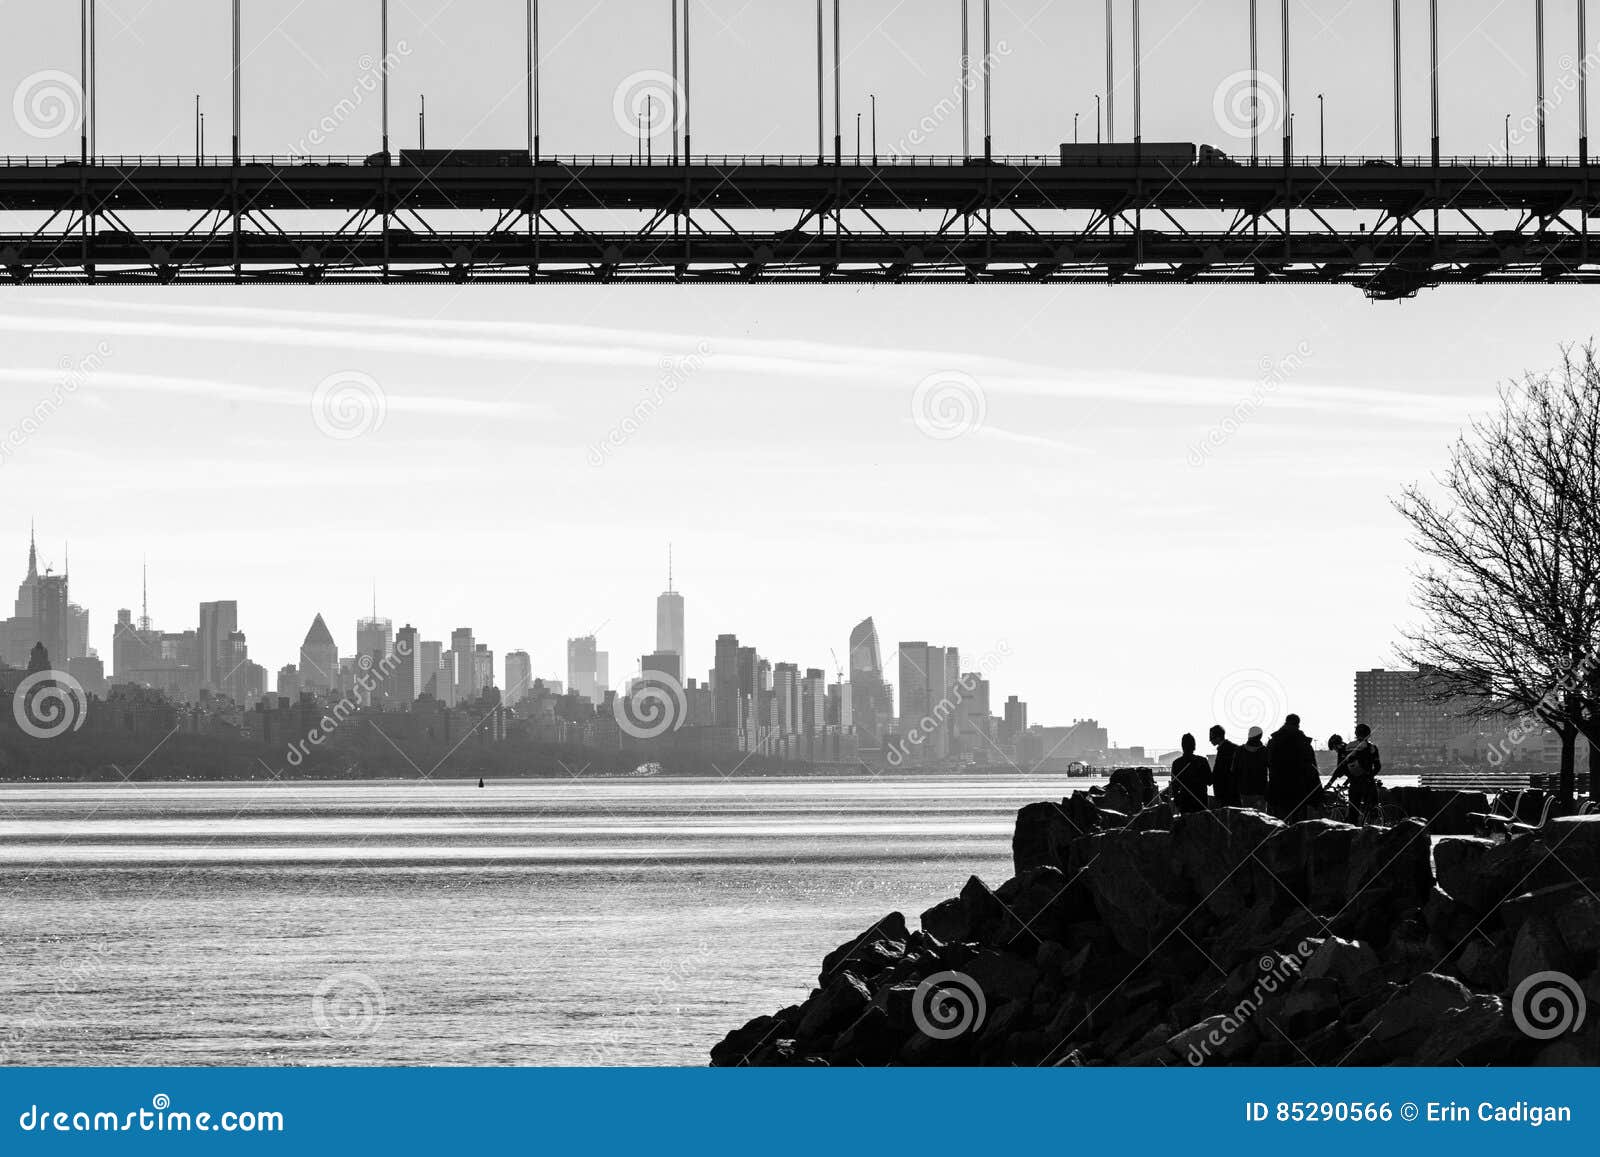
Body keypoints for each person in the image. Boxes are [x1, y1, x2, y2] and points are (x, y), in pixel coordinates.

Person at [1267, 714, 1321, 823]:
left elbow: (1269, 763)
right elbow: (1312, 769)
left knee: (1278, 824)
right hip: (1300, 789)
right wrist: (1317, 792)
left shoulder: (1274, 741)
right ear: (1298, 724)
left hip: (1278, 787)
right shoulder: (1304, 743)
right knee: (1298, 825)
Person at [1332, 723, 1382, 817]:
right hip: (1368, 782)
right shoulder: (1372, 748)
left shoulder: (1348, 747)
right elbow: (1378, 767)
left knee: (1353, 813)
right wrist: (1370, 775)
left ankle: (1353, 828)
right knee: (1373, 808)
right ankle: (1373, 827)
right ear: (1368, 734)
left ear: (1356, 734)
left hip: (1354, 784)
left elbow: (1342, 768)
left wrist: (1332, 782)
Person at [1170, 733, 1212, 815]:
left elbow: (1174, 786)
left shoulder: (1176, 763)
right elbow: (1209, 781)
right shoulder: (1202, 761)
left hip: (1185, 802)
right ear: (1194, 746)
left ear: (1182, 746)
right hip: (1201, 801)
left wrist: (1178, 802)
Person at [1234, 726, 1270, 811]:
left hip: (1244, 790)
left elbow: (1234, 771)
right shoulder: (1265, 751)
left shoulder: (1239, 750)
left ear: (1249, 735)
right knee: (1262, 818)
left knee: (1245, 818)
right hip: (1260, 790)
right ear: (1260, 736)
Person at [1209, 724, 1240, 808]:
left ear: (1218, 737)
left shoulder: (1224, 750)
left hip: (1225, 793)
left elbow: (1219, 772)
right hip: (1233, 792)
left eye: (1211, 737)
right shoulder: (1235, 748)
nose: (1210, 740)